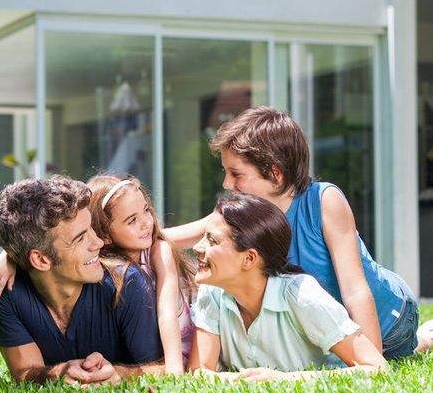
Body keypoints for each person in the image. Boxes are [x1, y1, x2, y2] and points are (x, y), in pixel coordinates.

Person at [169, 106, 432, 359]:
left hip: (389, 320)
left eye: (236, 174)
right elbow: (183, 234)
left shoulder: (323, 201)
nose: (227, 184)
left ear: (275, 174)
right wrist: (144, 232)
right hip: (331, 328)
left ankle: (424, 337)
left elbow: (355, 291)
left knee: (403, 350)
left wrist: (371, 358)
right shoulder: (247, 212)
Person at [0, 174, 196, 374]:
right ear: (40, 260)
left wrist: (120, 374)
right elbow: (24, 373)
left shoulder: (131, 278)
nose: (98, 243)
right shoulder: (1, 283)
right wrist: (9, 254)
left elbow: (161, 367)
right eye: (80, 238)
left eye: (92, 229)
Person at [188, 192, 388, 381]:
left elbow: (376, 367)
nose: (197, 247)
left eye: (212, 240)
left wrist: (282, 379)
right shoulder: (212, 291)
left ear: (249, 258)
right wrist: (240, 381)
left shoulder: (302, 296)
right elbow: (199, 372)